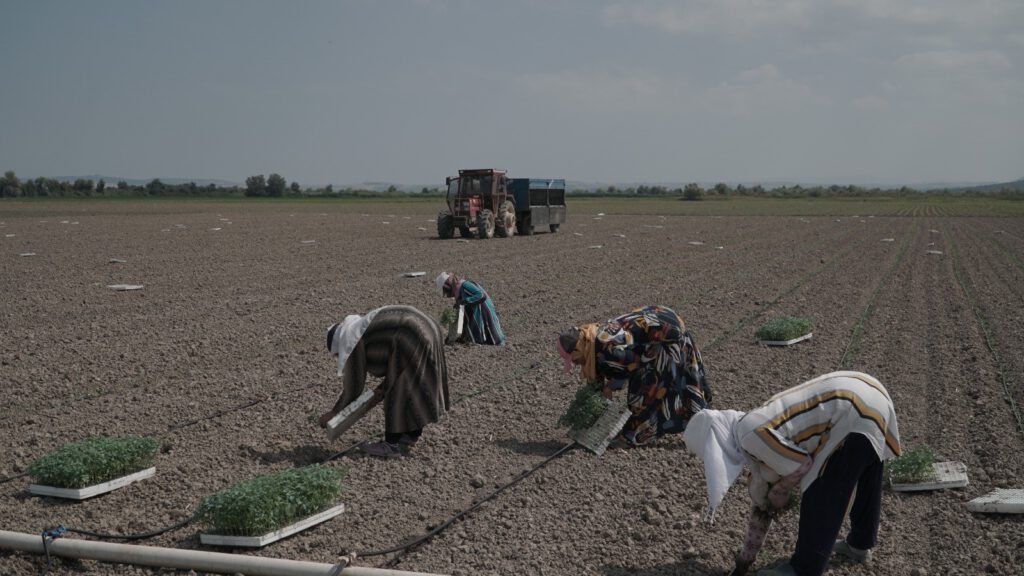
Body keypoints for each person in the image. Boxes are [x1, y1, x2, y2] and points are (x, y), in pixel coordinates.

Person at [682, 371, 902, 576]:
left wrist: (780, 489)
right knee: (867, 478)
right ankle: (860, 545)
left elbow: (801, 465)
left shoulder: (748, 434)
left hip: (852, 411)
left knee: (822, 490)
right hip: (872, 395)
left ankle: (804, 568)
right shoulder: (753, 420)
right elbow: (768, 491)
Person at [555, 304, 711, 445]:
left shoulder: (605, 347)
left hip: (667, 334)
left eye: (573, 359)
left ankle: (636, 434)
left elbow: (632, 363)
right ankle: (701, 423)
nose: (575, 363)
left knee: (644, 390)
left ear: (578, 349)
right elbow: (608, 369)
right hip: (660, 320)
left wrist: (609, 387)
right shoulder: (592, 339)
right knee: (646, 382)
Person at [319, 305, 450, 458]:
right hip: (427, 326)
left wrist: (334, 413)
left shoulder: (352, 341)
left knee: (397, 389)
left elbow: (354, 388)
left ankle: (391, 445)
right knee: (415, 383)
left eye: (337, 355)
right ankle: (412, 434)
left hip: (410, 334)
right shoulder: (361, 328)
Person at [435, 272, 506, 346]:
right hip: (476, 314)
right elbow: (461, 317)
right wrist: (452, 336)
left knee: (491, 336)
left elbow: (481, 296)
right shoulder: (459, 294)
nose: (449, 295)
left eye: (447, 291)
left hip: (484, 312)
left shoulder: (465, 285)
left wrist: (465, 301)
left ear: (449, 286)